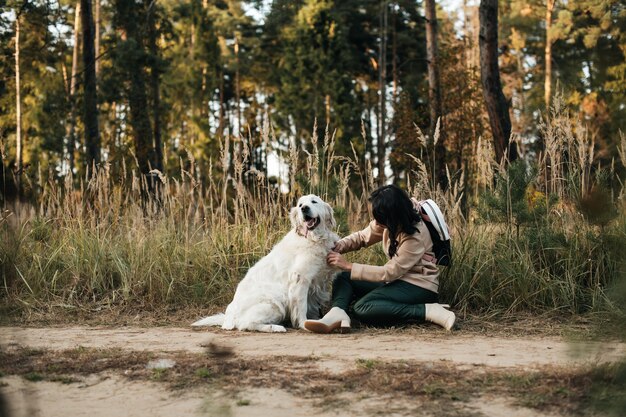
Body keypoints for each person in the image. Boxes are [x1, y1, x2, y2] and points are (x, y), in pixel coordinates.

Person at [303, 184, 455, 333]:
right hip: (396, 281)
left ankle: (426, 310)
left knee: (363, 307)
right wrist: (340, 245)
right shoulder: (392, 218)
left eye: (379, 219)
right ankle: (337, 312)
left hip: (419, 286)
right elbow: (363, 236)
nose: (375, 222)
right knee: (343, 277)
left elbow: (389, 272)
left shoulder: (415, 236)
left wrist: (348, 265)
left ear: (391, 219)